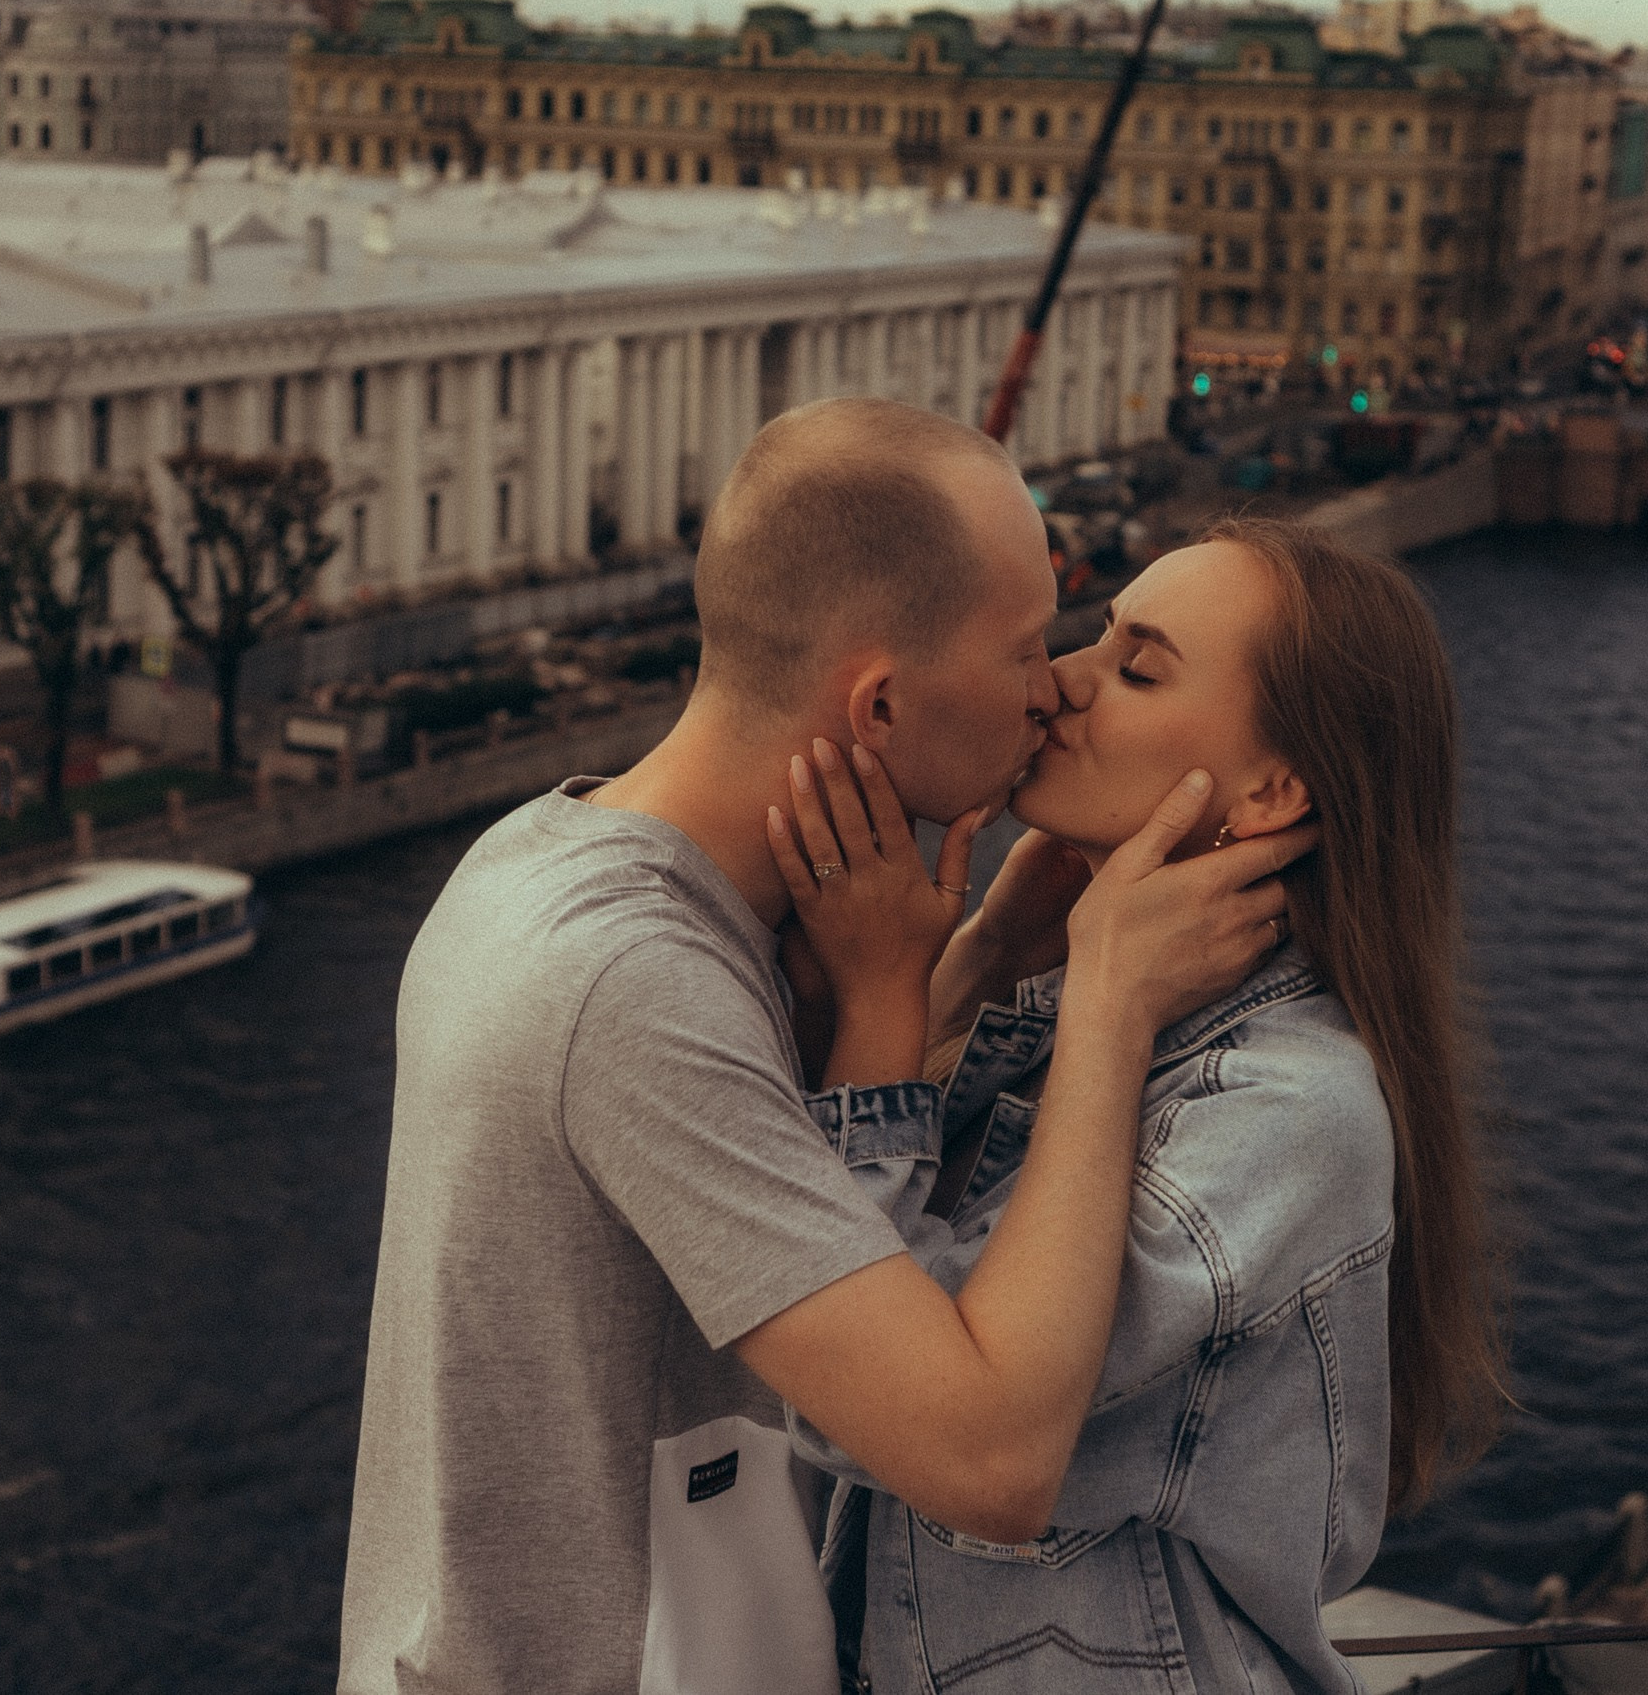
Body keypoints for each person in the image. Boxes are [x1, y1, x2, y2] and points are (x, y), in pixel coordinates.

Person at [337, 401, 1307, 1695]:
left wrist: (953, 974)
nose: (1053, 685)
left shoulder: (537, 862)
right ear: (882, 701)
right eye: (1027, 646)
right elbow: (989, 1461)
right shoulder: (632, 988)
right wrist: (1111, 1000)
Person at [767, 517, 1504, 1694]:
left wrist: (885, 1000)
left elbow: (866, 1402)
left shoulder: (1286, 1108)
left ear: (1271, 791)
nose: (1062, 680)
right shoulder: (1084, 1004)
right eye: (1098, 635)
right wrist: (980, 966)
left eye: (1137, 667)